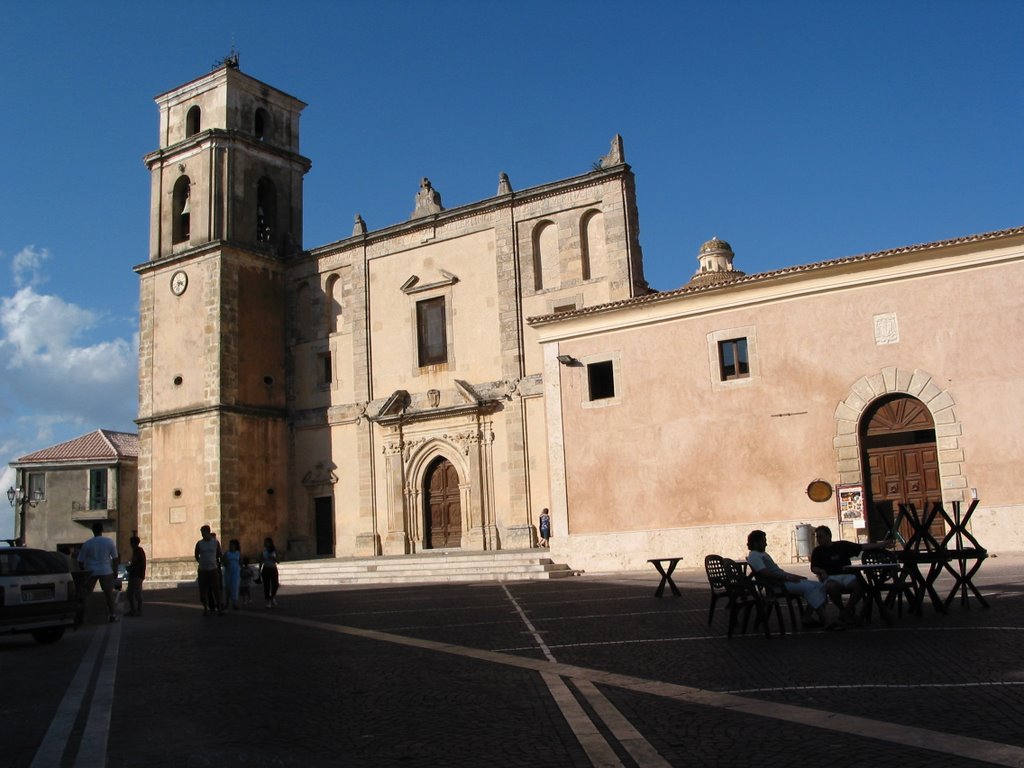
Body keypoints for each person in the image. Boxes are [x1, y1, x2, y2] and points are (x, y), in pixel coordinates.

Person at [746, 529, 832, 629]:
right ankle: (825, 620)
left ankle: (807, 617)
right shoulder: (754, 556)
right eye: (764, 541)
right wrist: (788, 577)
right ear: (756, 543)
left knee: (821, 586)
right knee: (810, 588)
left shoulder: (762, 554)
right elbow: (765, 573)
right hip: (778, 585)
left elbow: (777, 571)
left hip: (783, 581)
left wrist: (793, 576)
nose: (766, 544)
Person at [810, 526, 889, 622]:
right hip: (831, 577)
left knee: (860, 586)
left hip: (848, 576)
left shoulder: (842, 545)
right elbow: (813, 567)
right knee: (831, 587)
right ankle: (843, 610)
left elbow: (862, 547)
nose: (818, 539)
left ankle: (845, 612)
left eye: (821, 536)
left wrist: (882, 544)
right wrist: (821, 571)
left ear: (829, 536)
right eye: (817, 537)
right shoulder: (817, 551)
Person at [77, 522, 120, 623]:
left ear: (93, 531)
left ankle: (83, 617)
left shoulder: (87, 543)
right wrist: (115, 571)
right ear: (102, 530)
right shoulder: (109, 542)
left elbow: (80, 560)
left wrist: (83, 571)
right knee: (109, 595)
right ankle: (112, 615)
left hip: (91, 570)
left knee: (86, 595)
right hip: (106, 570)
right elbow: (115, 558)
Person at [194, 525, 224, 616]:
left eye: (203, 532)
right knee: (203, 590)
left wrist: (216, 562)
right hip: (203, 570)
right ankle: (205, 609)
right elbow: (196, 555)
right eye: (201, 533)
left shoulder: (215, 542)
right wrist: (201, 562)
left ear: (208, 532)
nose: (202, 534)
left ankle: (219, 608)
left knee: (216, 590)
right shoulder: (199, 543)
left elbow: (219, 553)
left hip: (213, 569)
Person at [125, 535, 147, 617]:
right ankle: (133, 610)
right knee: (130, 593)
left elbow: (139, 564)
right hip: (134, 575)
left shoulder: (139, 551)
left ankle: (138, 610)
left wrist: (131, 568)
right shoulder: (136, 551)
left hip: (137, 575)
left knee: (137, 593)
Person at [260, 537, 280, 607]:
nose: (264, 543)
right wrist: (259, 571)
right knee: (266, 586)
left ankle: (272, 596)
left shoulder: (274, 550)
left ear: (269, 543)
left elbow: (278, 561)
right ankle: (268, 601)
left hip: (273, 568)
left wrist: (274, 558)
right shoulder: (263, 551)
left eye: (266, 542)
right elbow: (261, 561)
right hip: (266, 569)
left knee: (276, 584)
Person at [223, 539, 242, 610]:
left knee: (235, 586)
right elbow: (223, 562)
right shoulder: (227, 554)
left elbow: (240, 562)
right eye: (230, 545)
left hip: (236, 572)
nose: (230, 546)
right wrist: (226, 562)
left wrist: (242, 570)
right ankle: (227, 602)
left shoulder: (238, 553)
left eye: (232, 545)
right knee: (228, 587)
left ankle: (235, 603)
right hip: (228, 571)